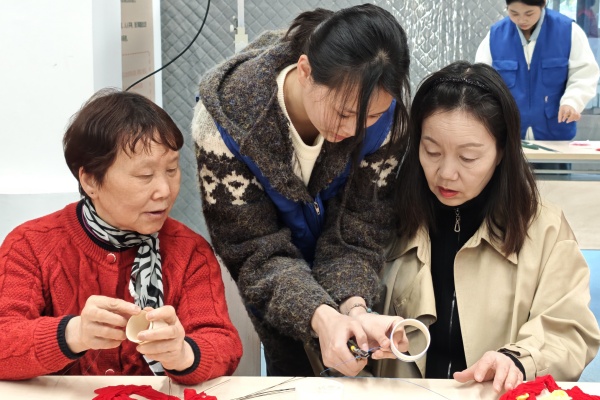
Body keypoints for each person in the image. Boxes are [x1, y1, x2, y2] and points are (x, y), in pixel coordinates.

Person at [192, 4, 411, 376]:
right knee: (292, 372)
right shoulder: (224, 126)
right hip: (273, 278)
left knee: (358, 368)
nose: (355, 130)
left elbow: (359, 232)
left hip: (351, 276)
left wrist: (355, 309)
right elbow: (254, 251)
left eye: (371, 117)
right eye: (343, 113)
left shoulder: (386, 123)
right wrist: (321, 317)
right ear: (305, 71)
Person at [373, 61, 600, 391]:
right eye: (432, 151)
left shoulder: (545, 230)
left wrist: (520, 360)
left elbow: (570, 329)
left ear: (501, 151)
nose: (446, 173)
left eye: (468, 158)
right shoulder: (385, 215)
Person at [0, 89, 242, 383]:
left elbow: (223, 343)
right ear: (90, 180)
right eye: (145, 176)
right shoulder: (30, 245)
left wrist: (183, 354)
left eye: (171, 169)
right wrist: (72, 334)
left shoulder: (190, 251)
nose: (165, 190)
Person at [475, 0, 599, 140]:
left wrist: (572, 102)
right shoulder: (495, 36)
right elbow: (481, 80)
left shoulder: (568, 31)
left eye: (529, 13)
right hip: (508, 135)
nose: (522, 20)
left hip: (555, 135)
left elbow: (584, 74)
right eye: (514, 13)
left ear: (543, 4)